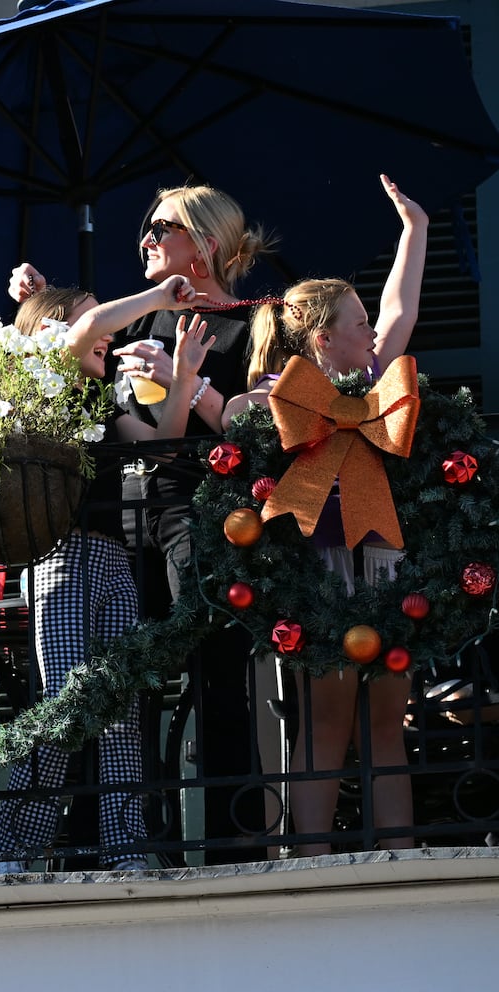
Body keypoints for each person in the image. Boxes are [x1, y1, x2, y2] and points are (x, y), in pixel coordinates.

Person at [22, 184, 274, 863]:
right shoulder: (136, 321)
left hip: (207, 512)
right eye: (146, 230)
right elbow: (75, 348)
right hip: (128, 517)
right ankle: (122, 837)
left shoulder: (255, 322)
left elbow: (261, 422)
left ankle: (232, 835)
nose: (146, 241)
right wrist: (34, 301)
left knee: (216, 673)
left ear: (206, 243)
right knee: (120, 682)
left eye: (161, 229)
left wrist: (187, 382)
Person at [221, 175, 427, 856]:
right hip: (320, 567)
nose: (372, 331)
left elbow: (400, 312)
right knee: (328, 719)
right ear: (322, 342)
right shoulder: (285, 396)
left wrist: (415, 231)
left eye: (369, 324)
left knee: (388, 721)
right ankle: (310, 861)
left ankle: (397, 856)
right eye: (358, 325)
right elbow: (234, 418)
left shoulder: (371, 386)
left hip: (382, 560)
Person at [0, 282, 214, 873]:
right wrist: (160, 294)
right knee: (66, 709)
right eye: (93, 323)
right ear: (51, 332)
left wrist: (185, 375)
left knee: (121, 718)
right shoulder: (46, 387)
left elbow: (164, 446)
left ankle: (126, 848)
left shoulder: (100, 403)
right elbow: (86, 333)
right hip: (60, 561)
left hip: (114, 561)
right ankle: (12, 850)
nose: (108, 337)